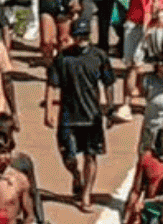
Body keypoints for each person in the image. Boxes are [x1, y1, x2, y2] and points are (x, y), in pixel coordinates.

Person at [44, 21, 115, 213]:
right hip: (68, 116)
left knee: (91, 156)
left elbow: (108, 83)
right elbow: (51, 83)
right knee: (68, 156)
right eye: (78, 36)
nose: (81, 40)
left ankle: (86, 195)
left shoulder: (99, 56)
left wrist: (109, 108)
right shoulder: (63, 58)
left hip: (92, 116)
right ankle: (76, 175)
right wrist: (48, 110)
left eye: (84, 36)